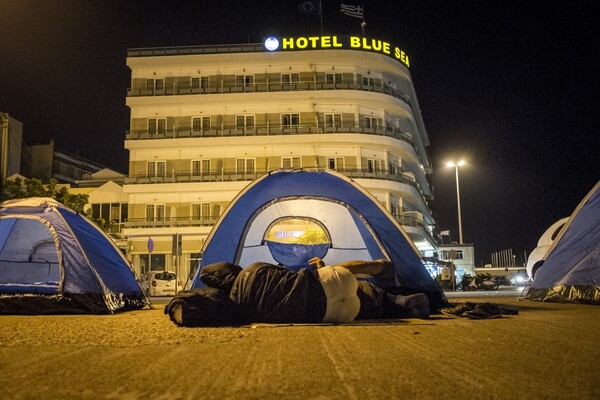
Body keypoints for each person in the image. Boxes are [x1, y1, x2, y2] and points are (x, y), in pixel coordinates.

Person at [165, 257, 430, 326]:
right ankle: (399, 297)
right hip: (332, 282)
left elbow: (198, 306)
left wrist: (179, 307)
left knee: (355, 307)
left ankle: (395, 305)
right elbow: (290, 279)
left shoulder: (238, 308)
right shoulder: (255, 268)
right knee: (337, 279)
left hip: (330, 313)